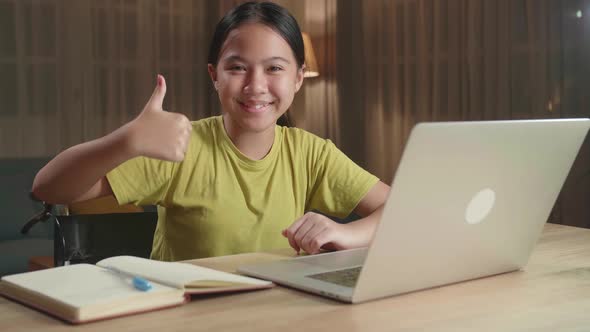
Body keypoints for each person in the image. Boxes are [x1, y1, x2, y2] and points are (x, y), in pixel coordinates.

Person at [32, 1, 390, 261]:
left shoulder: (310, 153)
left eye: (274, 68)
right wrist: (126, 141)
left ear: (298, 78)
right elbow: (47, 187)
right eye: (237, 68)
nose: (256, 85)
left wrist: (345, 233)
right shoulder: (182, 148)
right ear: (214, 75)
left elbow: (401, 209)